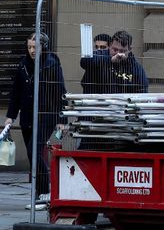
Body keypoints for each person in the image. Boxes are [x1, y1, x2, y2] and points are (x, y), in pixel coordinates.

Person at [4, 33, 67, 201]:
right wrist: (10, 116)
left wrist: (62, 120)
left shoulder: (51, 65)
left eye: (35, 47)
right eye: (29, 47)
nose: (32, 50)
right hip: (27, 116)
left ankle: (44, 191)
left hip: (46, 116)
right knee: (32, 155)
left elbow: (60, 92)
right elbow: (16, 93)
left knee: (34, 152)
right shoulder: (23, 65)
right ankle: (39, 194)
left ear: (43, 47)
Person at [81, 30, 149, 94]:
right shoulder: (100, 54)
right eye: (115, 49)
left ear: (129, 50)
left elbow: (142, 91)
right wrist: (110, 59)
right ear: (110, 45)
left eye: (122, 51)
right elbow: (84, 61)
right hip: (96, 101)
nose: (118, 54)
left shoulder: (135, 67)